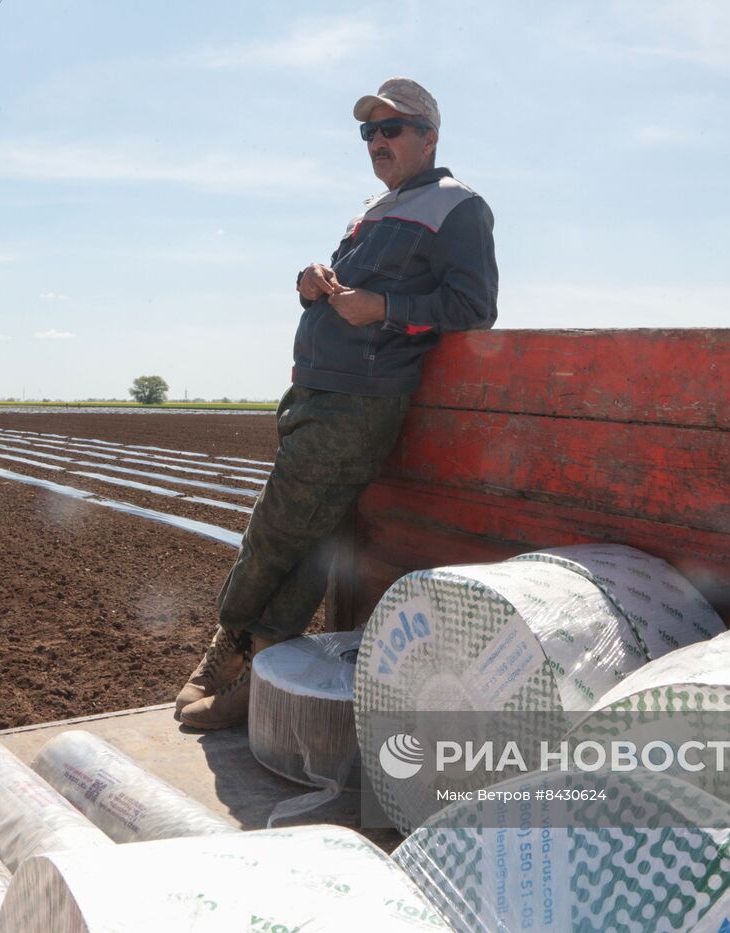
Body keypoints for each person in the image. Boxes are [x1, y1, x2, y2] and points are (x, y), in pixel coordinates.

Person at [176, 77, 499, 729]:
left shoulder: (458, 207)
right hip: (318, 390)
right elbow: (344, 288)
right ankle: (260, 667)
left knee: (276, 527)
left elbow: (474, 308)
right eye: (368, 132)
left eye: (392, 129)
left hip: (359, 399)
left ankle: (227, 648)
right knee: (314, 539)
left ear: (429, 136)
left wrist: (385, 306)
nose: (377, 141)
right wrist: (311, 284)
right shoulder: (371, 210)